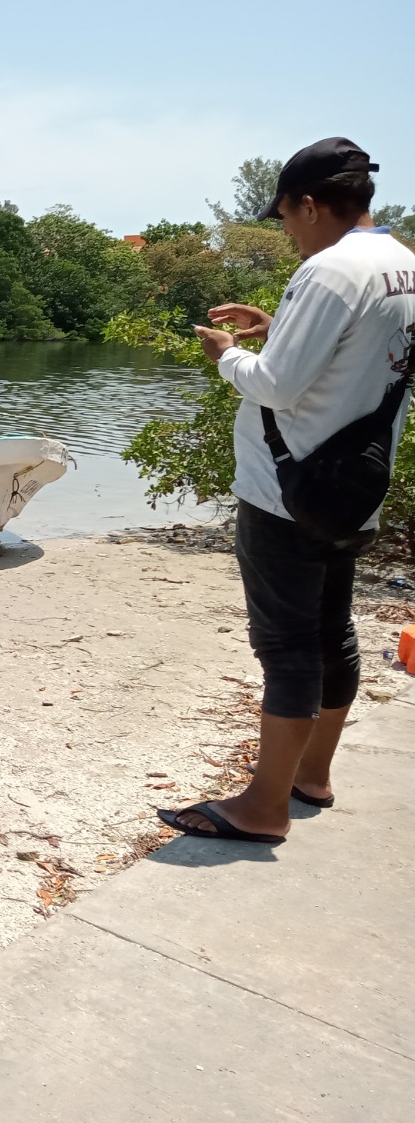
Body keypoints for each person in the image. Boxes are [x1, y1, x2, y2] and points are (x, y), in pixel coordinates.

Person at [164, 137, 414, 845]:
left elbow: (275, 385)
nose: (286, 230)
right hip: (356, 482)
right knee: (332, 631)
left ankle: (263, 806)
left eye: (283, 217)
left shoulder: (329, 272)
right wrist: (281, 333)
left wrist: (229, 356)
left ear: (309, 204)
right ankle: (312, 774)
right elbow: (362, 359)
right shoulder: (403, 264)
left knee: (286, 649)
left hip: (290, 489)